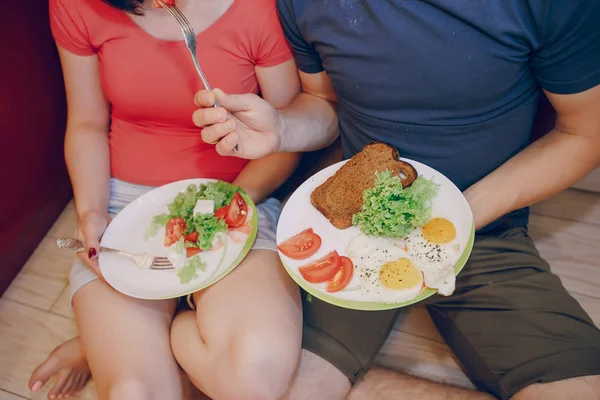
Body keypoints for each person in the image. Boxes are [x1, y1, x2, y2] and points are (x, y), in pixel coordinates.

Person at [191, 0, 600, 399]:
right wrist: (282, 128)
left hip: (486, 226)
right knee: (276, 384)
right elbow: (325, 102)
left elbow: (584, 133)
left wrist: (457, 216)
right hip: (348, 236)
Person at [29, 0, 303, 399]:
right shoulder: (75, 5)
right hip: (127, 208)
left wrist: (233, 205)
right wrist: (90, 211)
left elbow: (287, 134)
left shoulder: (261, 8)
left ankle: (163, 323)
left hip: (240, 196)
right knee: (132, 392)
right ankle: (144, 332)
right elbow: (87, 122)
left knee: (254, 378)